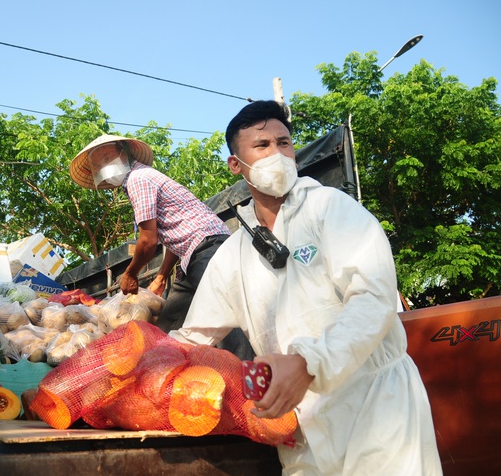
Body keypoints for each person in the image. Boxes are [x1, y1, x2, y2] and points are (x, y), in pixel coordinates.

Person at [169, 101, 442, 475]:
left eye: (284, 143)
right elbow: (192, 340)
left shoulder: (332, 209)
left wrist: (309, 363)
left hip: (377, 410)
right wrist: (143, 365)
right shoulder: (233, 253)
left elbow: (373, 298)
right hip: (302, 434)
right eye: (262, 146)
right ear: (236, 164)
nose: (277, 154)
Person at [68, 134, 232, 334]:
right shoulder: (141, 178)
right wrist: (161, 276)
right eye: (100, 164)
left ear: (124, 152)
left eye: (107, 158)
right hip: (200, 249)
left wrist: (130, 274)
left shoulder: (138, 179)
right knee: (169, 325)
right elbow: (174, 237)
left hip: (210, 248)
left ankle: (251, 364)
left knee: (226, 324)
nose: (105, 166)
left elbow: (148, 241)